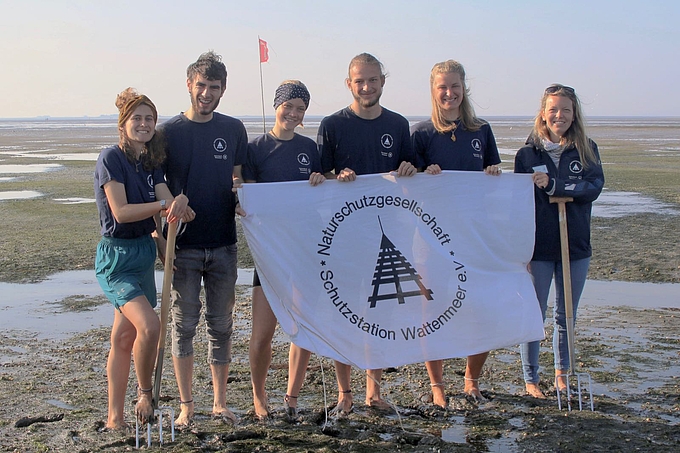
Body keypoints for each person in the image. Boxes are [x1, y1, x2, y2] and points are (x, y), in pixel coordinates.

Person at [318, 53, 417, 416]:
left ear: (382, 81)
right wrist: (335, 178)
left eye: (372, 80)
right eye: (359, 81)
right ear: (349, 83)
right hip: (344, 238)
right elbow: (317, 179)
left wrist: (410, 168)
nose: (366, 87)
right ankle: (344, 392)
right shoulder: (331, 124)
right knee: (346, 314)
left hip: (389, 233)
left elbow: (411, 170)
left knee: (380, 314)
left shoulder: (398, 124)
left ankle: (372, 392)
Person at [94, 88, 193, 430]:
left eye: (150, 119)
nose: (144, 124)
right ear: (124, 124)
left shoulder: (151, 163)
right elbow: (121, 212)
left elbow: (166, 199)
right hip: (116, 258)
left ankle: (114, 419)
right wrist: (166, 206)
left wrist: (177, 207)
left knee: (123, 340)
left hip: (143, 255)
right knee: (150, 326)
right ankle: (145, 393)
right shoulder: (111, 158)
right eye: (137, 118)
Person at [160, 51, 248, 426]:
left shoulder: (233, 129)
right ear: (189, 85)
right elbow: (156, 185)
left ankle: (219, 402)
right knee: (183, 326)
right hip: (182, 247)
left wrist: (243, 195)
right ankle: (186, 406)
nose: (207, 93)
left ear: (223, 89)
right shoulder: (168, 132)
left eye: (214, 87)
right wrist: (161, 239)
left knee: (222, 325)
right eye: (201, 86)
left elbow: (239, 178)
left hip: (225, 244)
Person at [410, 60, 502, 408]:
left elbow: (493, 184)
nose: (449, 94)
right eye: (442, 88)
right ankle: (437, 384)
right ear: (433, 91)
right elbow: (407, 189)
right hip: (430, 243)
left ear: (464, 89)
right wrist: (422, 174)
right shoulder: (420, 133)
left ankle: (471, 379)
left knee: (481, 309)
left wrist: (493, 174)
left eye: (455, 87)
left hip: (474, 239)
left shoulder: (481, 130)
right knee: (430, 314)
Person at [242, 80, 325, 421]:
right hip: (270, 254)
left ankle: (291, 396)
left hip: (303, 250)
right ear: (276, 106)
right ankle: (259, 397)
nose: (293, 113)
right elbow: (245, 192)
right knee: (262, 334)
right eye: (288, 106)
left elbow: (322, 192)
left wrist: (324, 182)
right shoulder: (256, 148)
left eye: (300, 108)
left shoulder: (310, 148)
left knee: (301, 329)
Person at [515, 84, 604, 398]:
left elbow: (593, 187)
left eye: (566, 109)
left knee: (566, 315)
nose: (559, 115)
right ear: (543, 113)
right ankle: (531, 379)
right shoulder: (527, 154)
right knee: (534, 314)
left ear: (574, 113)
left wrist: (555, 185)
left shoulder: (586, 149)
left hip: (575, 247)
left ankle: (562, 375)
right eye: (553, 109)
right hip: (538, 247)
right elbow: (518, 201)